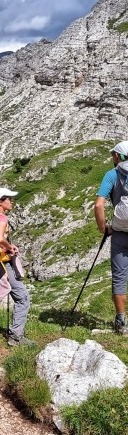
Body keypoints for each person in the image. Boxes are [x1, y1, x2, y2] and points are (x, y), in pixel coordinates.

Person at [0, 188, 33, 346]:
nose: (11, 201)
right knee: (23, 298)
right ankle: (15, 337)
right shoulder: (1, 217)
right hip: (2, 263)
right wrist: (9, 247)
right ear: (0, 202)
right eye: (8, 199)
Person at [94, 141, 128, 335]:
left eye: (113, 154)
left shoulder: (112, 174)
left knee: (120, 277)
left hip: (120, 233)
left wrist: (103, 228)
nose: (112, 157)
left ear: (118, 157)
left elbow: (99, 205)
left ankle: (121, 321)